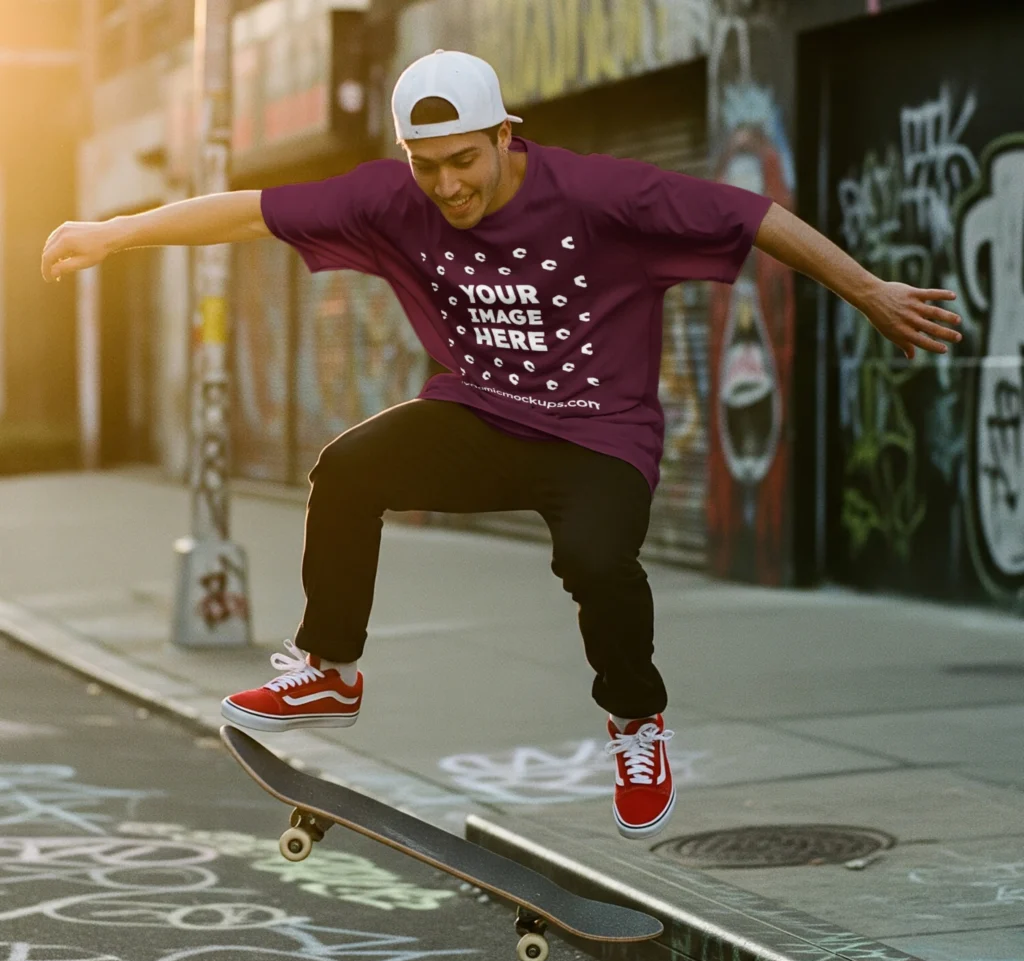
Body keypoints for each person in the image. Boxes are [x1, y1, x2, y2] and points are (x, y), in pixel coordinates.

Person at [40, 50, 962, 840]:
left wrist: (867, 289)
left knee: (598, 561)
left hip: (600, 435)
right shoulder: (386, 199)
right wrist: (112, 233)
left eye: (464, 162)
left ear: (506, 135)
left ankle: (636, 723)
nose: (449, 187)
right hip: (481, 414)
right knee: (348, 469)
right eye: (427, 166)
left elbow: (751, 215)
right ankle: (330, 670)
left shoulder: (603, 193)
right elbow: (247, 212)